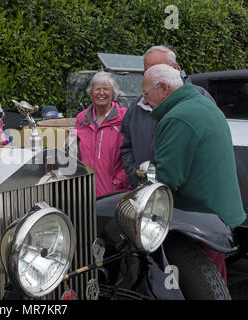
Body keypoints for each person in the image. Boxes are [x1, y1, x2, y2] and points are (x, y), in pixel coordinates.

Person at [144, 63, 247, 283]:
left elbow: (167, 179)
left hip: (201, 220)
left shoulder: (177, 118)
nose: (144, 100)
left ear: (163, 88)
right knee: (216, 281)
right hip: (219, 214)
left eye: (145, 93)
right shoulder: (202, 104)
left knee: (199, 285)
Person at [120, 45, 216, 188]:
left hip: (185, 197)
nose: (152, 74)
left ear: (175, 68)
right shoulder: (137, 106)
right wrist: (135, 174)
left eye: (159, 68)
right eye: (147, 70)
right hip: (146, 194)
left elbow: (209, 151)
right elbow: (126, 147)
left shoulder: (200, 99)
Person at [74, 71, 129, 198]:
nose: (101, 93)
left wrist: (119, 180)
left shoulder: (124, 117)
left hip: (115, 191)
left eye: (106, 89)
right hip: (85, 190)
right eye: (97, 89)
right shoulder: (82, 119)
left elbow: (132, 152)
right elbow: (74, 152)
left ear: (113, 93)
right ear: (91, 92)